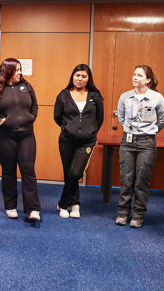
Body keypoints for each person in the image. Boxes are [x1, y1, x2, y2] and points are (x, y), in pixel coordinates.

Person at [115, 65, 164, 228]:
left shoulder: (157, 97)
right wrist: (130, 129)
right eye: (134, 74)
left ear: (148, 80)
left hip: (147, 142)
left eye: (139, 75)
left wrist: (149, 132)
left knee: (142, 180)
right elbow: (121, 118)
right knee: (126, 178)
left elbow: (163, 119)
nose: (135, 77)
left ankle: (138, 215)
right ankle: (123, 213)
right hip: (128, 141)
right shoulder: (125, 97)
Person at [0, 58, 41, 221]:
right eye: (17, 70)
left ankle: (33, 209)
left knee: (28, 170)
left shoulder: (26, 86)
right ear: (8, 72)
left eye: (20, 69)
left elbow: (35, 106)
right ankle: (10, 206)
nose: (20, 72)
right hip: (4, 137)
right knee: (9, 170)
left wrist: (31, 117)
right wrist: (0, 121)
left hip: (26, 135)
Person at [54, 64, 104, 219]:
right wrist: (69, 128)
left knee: (76, 173)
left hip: (86, 142)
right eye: (77, 75)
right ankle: (74, 204)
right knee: (68, 172)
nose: (80, 79)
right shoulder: (63, 95)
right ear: (72, 76)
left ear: (88, 79)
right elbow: (57, 117)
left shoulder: (95, 96)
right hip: (66, 141)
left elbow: (99, 119)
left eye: (84, 76)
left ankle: (63, 203)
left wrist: (90, 131)